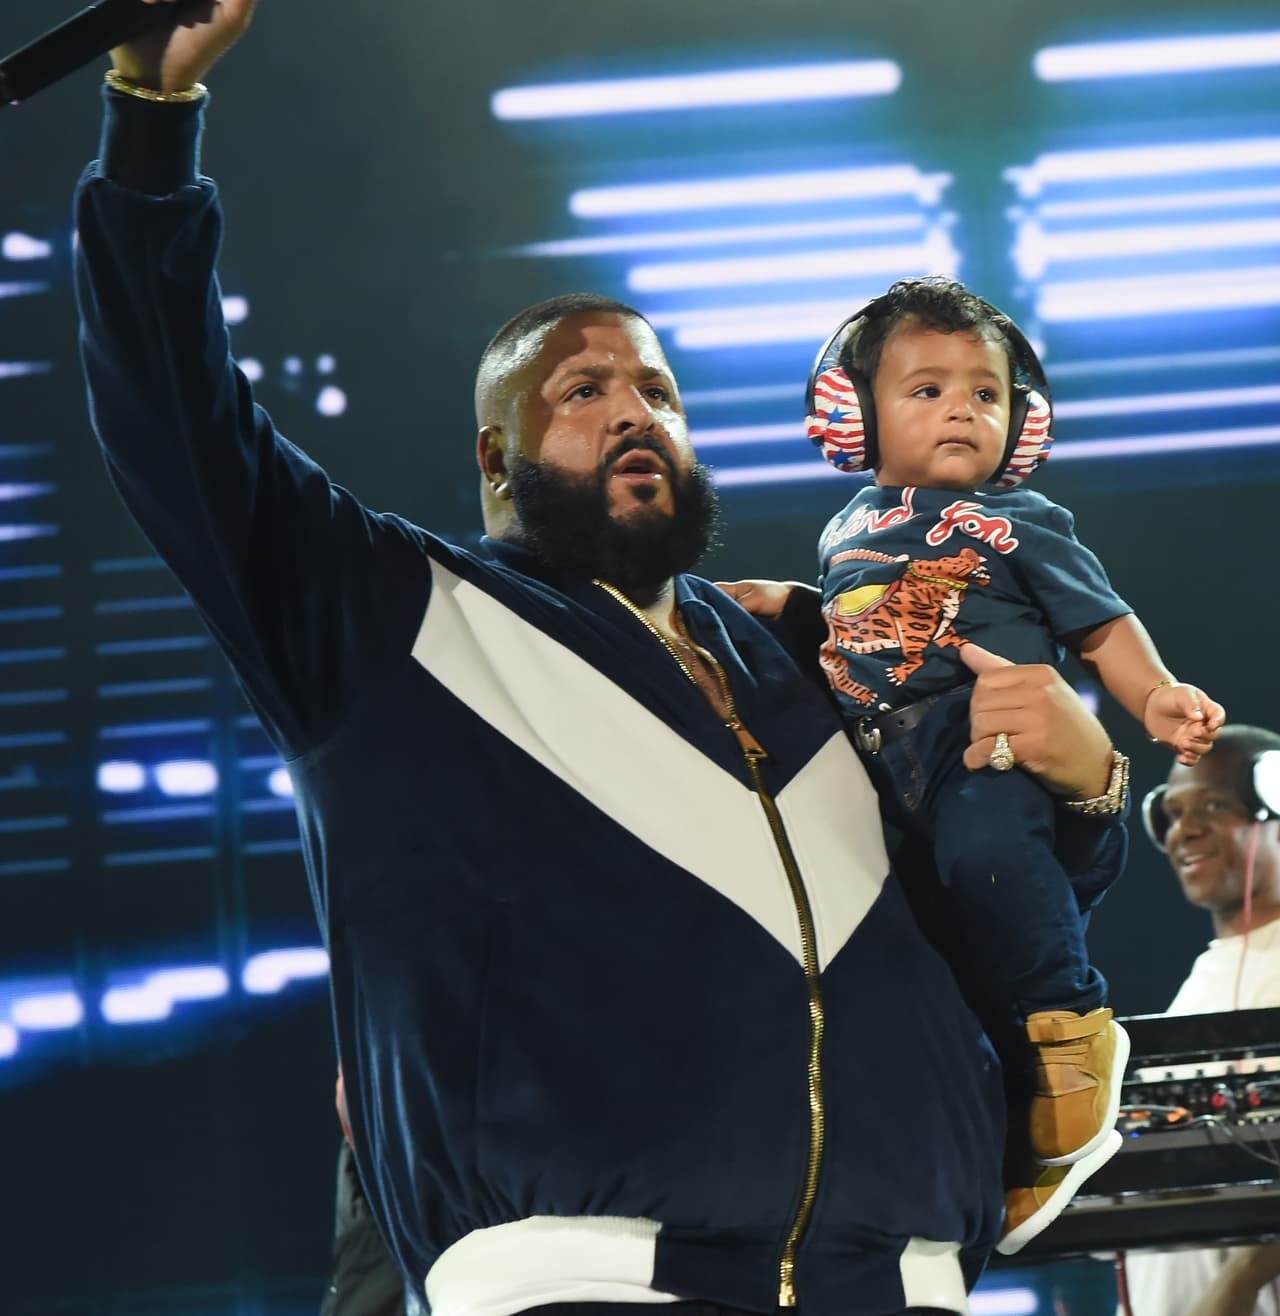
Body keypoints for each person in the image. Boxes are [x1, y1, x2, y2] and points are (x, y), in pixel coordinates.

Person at [74, 5, 1128, 1312]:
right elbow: (179, 428)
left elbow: (987, 894)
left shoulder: (812, 651)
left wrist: (1088, 796)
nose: (635, 409)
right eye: (581, 391)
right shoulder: (400, 620)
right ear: (494, 459)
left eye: (660, 392)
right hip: (582, 1278)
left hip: (901, 1283)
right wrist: (150, 130)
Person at [723, 278, 1225, 1253]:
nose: (960, 405)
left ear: (1018, 419)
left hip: (978, 739)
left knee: (989, 852)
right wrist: (793, 608)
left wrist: (1154, 693)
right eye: (925, 388)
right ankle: (986, 1107)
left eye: (983, 392)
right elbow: (858, 634)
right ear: (854, 414)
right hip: (876, 758)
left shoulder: (1025, 518)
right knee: (915, 918)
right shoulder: (843, 531)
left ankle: (1070, 1022)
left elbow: (1098, 623)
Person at [1120, 726, 1280, 1316]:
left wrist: (1237, 1282)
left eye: (1215, 805)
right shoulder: (1204, 980)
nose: (1184, 831)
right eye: (1172, 812)